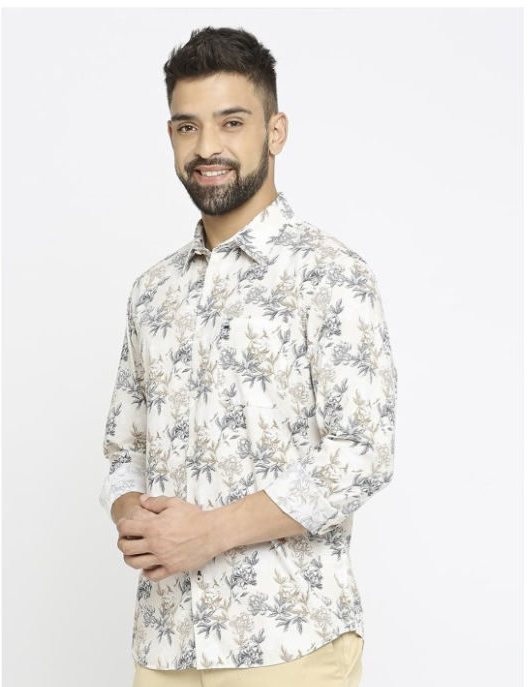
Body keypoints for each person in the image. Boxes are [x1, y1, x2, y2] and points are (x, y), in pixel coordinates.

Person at [100, 26, 398, 687]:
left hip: (288, 647)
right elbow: (125, 451)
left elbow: (361, 455)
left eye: (231, 122)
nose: (207, 147)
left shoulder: (330, 274)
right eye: (188, 126)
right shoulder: (152, 292)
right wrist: (135, 517)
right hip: (165, 645)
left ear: (275, 131)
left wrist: (208, 532)